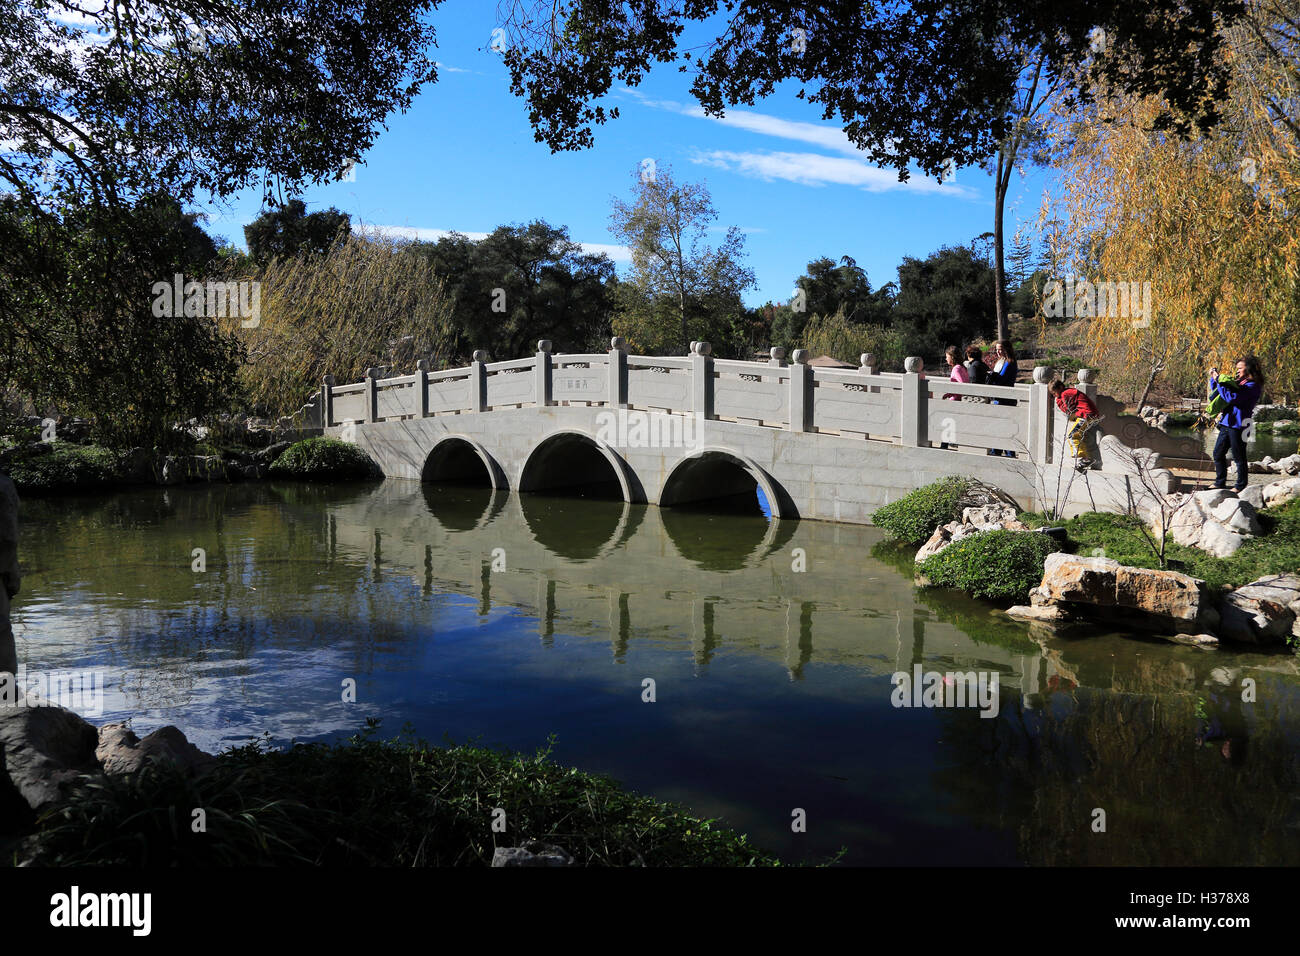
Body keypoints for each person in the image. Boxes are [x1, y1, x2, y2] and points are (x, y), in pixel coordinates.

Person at [1210, 356, 1264, 492]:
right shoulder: (1239, 382)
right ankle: (1219, 482)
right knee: (1218, 453)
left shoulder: (1252, 385)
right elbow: (1220, 392)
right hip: (1227, 422)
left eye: (1240, 368)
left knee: (1239, 456)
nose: (1238, 371)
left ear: (1249, 368)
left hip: (1242, 423)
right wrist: (1214, 379)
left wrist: (1219, 381)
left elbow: (1231, 397)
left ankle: (1240, 485)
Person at [1049, 379, 1102, 471]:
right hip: (1086, 415)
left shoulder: (1066, 394)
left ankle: (1085, 459)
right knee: (1073, 435)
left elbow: (1069, 409)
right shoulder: (1067, 393)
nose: (1054, 396)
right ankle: (1082, 458)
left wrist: (1059, 400)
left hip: (1086, 415)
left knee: (1073, 435)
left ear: (1060, 388)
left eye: (1054, 393)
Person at [986, 340, 1019, 456]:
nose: (998, 352)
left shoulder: (1010, 362)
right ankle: (997, 450)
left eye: (1000, 349)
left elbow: (1001, 379)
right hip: (997, 398)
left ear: (1007, 349)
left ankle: (1008, 453)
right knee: (997, 427)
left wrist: (992, 376)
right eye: (996, 349)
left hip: (1005, 399)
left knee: (1004, 427)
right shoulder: (1001, 361)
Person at [940, 345, 969, 449]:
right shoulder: (962, 367)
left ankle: (944, 446)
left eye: (947, 356)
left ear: (952, 357)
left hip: (955, 401)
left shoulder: (956, 369)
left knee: (947, 423)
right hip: (958, 399)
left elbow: (963, 385)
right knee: (950, 424)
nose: (946, 358)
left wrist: (952, 394)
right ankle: (946, 444)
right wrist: (948, 394)